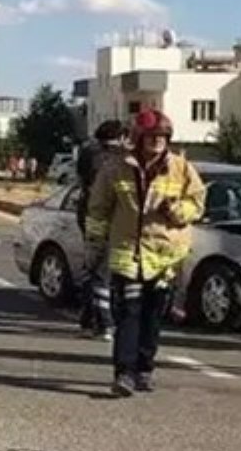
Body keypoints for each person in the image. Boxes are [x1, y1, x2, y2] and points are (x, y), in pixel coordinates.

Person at [85, 109, 206, 397]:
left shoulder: (181, 168)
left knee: (152, 315)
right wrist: (95, 244)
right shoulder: (115, 168)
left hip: (165, 256)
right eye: (151, 137)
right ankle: (124, 373)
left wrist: (176, 210)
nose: (157, 142)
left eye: (162, 137)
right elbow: (98, 209)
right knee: (129, 312)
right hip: (128, 253)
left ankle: (144, 368)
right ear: (138, 138)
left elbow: (197, 204)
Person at [75, 120, 128, 339]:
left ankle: (90, 319)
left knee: (93, 267)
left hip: (89, 215)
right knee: (103, 272)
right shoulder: (122, 159)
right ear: (121, 137)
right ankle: (105, 322)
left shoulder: (88, 154)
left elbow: (81, 181)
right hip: (113, 218)